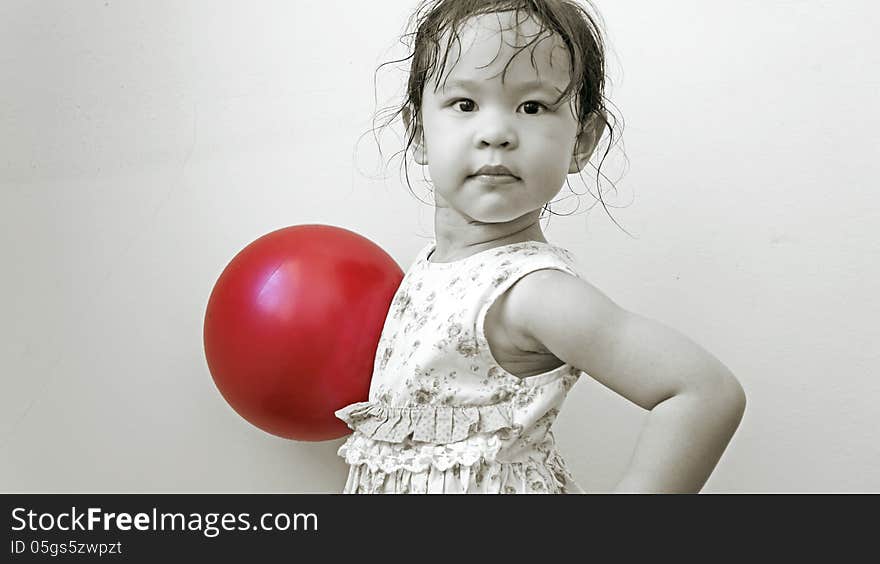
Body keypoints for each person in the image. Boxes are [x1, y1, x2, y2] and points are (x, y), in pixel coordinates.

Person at [335, 0, 746, 494]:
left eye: (532, 107)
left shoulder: (534, 294)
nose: (496, 134)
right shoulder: (430, 269)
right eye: (465, 104)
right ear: (418, 131)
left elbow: (705, 392)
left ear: (581, 141)